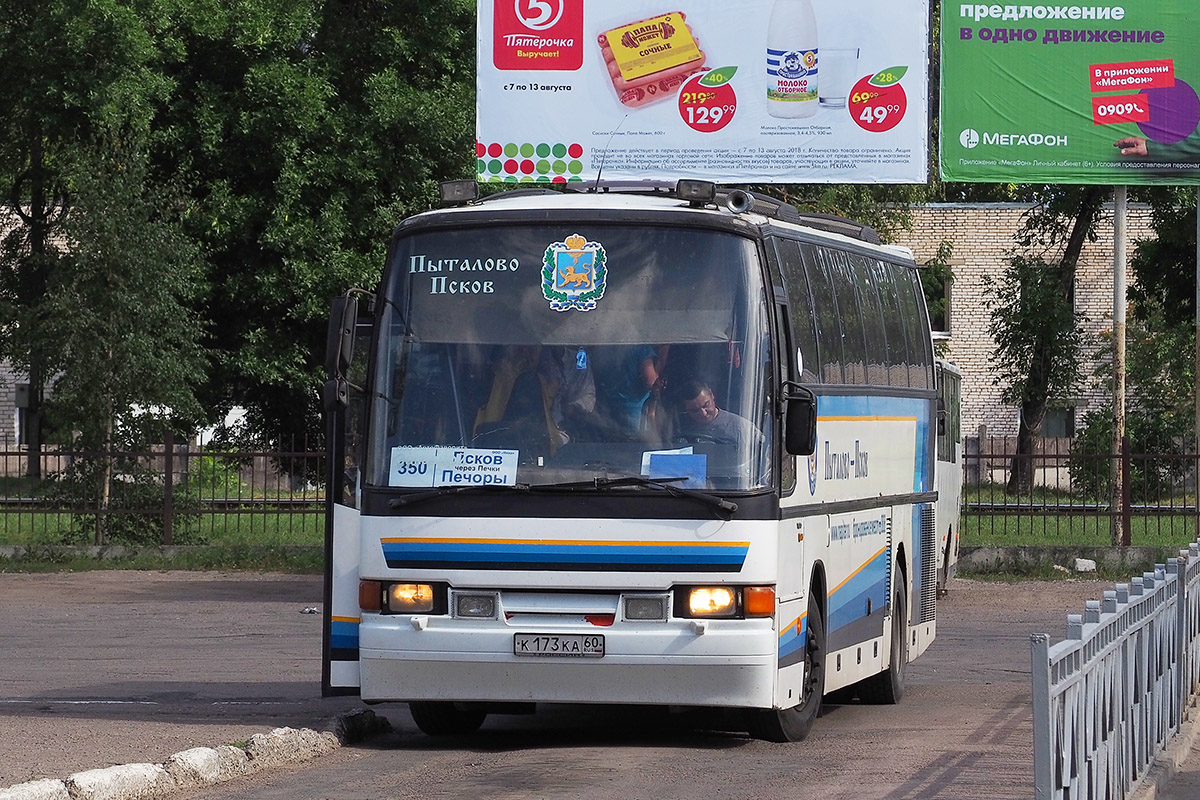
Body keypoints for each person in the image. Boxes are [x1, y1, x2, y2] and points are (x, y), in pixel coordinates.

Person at [677, 379, 761, 449]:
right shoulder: (678, 428)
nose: (703, 413)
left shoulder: (742, 428)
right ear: (686, 409)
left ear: (711, 395)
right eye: (695, 410)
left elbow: (764, 455)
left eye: (706, 405)